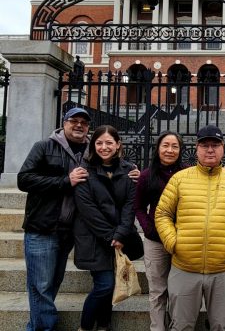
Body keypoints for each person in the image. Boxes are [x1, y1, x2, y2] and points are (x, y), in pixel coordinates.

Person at [155, 124, 225, 331]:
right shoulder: (180, 179)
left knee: (221, 325)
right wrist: (173, 242)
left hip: (223, 269)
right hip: (184, 267)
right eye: (205, 145)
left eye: (215, 145)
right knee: (181, 325)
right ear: (196, 148)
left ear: (223, 148)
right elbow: (163, 213)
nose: (210, 150)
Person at [17, 107, 92, 331]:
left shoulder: (92, 151)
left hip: (69, 230)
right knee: (40, 285)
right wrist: (64, 181)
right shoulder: (44, 146)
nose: (79, 125)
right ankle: (43, 327)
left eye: (84, 122)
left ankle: (37, 325)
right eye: (74, 121)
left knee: (52, 282)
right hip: (43, 227)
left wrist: (131, 172)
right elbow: (24, 179)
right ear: (64, 123)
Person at [73, 125, 139, 331]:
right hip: (94, 238)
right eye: (99, 143)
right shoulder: (84, 171)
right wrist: (112, 236)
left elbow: (131, 205)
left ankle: (104, 325)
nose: (104, 147)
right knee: (105, 285)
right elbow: (87, 210)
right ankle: (85, 326)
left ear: (118, 144)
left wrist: (120, 234)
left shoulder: (129, 170)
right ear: (93, 145)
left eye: (109, 142)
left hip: (119, 236)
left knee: (109, 285)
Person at [133, 131, 188, 331]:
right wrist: (148, 228)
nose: (169, 150)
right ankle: (157, 328)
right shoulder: (147, 175)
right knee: (157, 290)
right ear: (157, 148)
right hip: (155, 240)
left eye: (174, 146)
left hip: (182, 240)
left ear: (180, 150)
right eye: (165, 145)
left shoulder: (187, 174)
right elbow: (138, 206)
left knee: (178, 290)